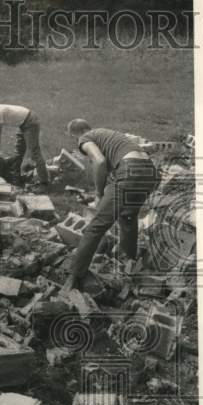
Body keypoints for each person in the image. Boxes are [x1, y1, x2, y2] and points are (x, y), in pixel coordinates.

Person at [63, 119, 159, 289]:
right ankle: (129, 264)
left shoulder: (85, 138)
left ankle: (74, 275)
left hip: (130, 171)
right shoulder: (107, 134)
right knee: (128, 218)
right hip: (150, 172)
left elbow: (99, 162)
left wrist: (98, 193)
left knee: (97, 225)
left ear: (74, 134)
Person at [0, 103, 50, 187]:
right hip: (22, 124)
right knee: (19, 152)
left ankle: (44, 183)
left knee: (34, 153)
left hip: (30, 121)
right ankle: (16, 178)